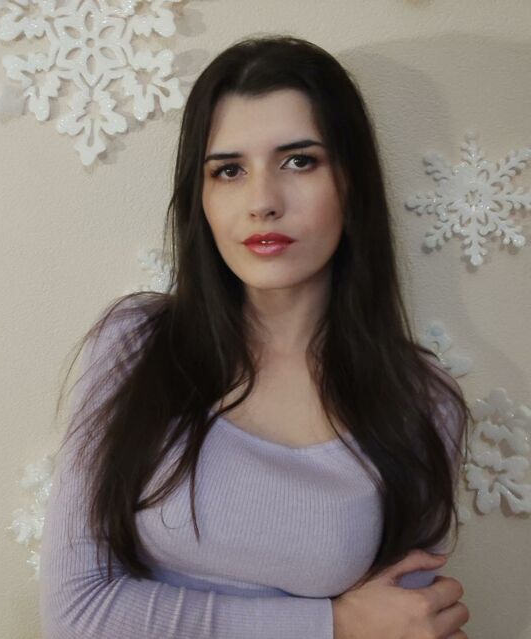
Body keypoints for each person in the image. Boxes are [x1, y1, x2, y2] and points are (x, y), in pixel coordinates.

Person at [39, 34, 471, 638]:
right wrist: (331, 624)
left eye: (299, 161)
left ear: (351, 181)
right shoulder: (133, 345)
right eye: (229, 171)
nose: (262, 202)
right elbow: (77, 616)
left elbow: (408, 626)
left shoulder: (422, 401)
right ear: (201, 198)